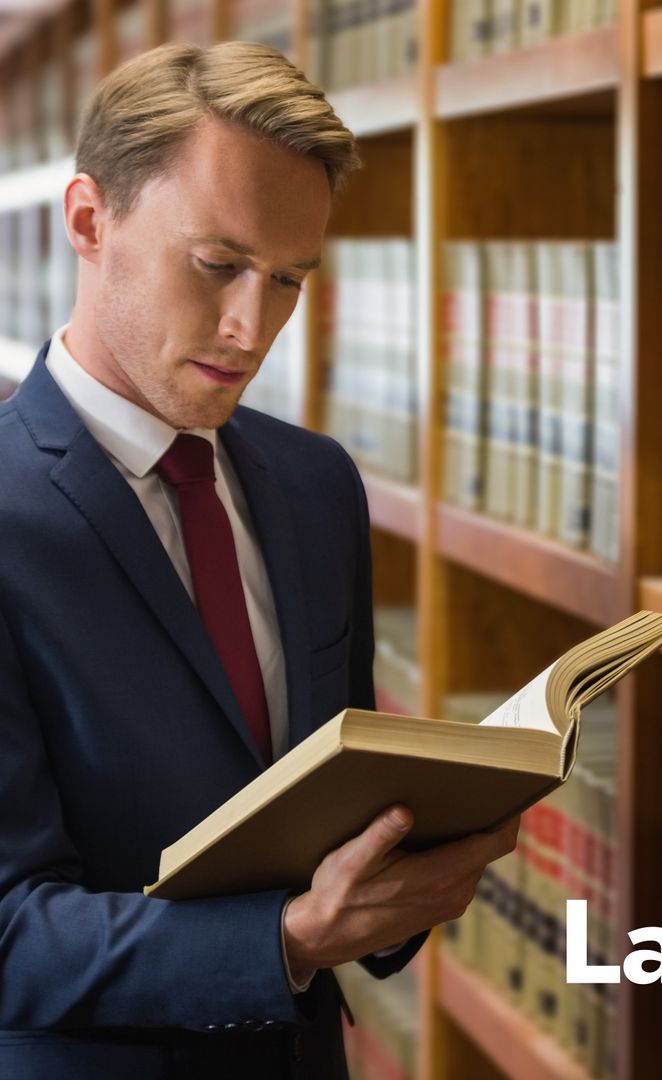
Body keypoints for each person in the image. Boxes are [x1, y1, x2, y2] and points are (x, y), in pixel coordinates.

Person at [0, 40, 519, 1079]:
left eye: (288, 280)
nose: (252, 327)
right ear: (90, 222)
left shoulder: (316, 485)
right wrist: (286, 940)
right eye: (219, 265)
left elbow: (329, 787)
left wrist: (414, 856)